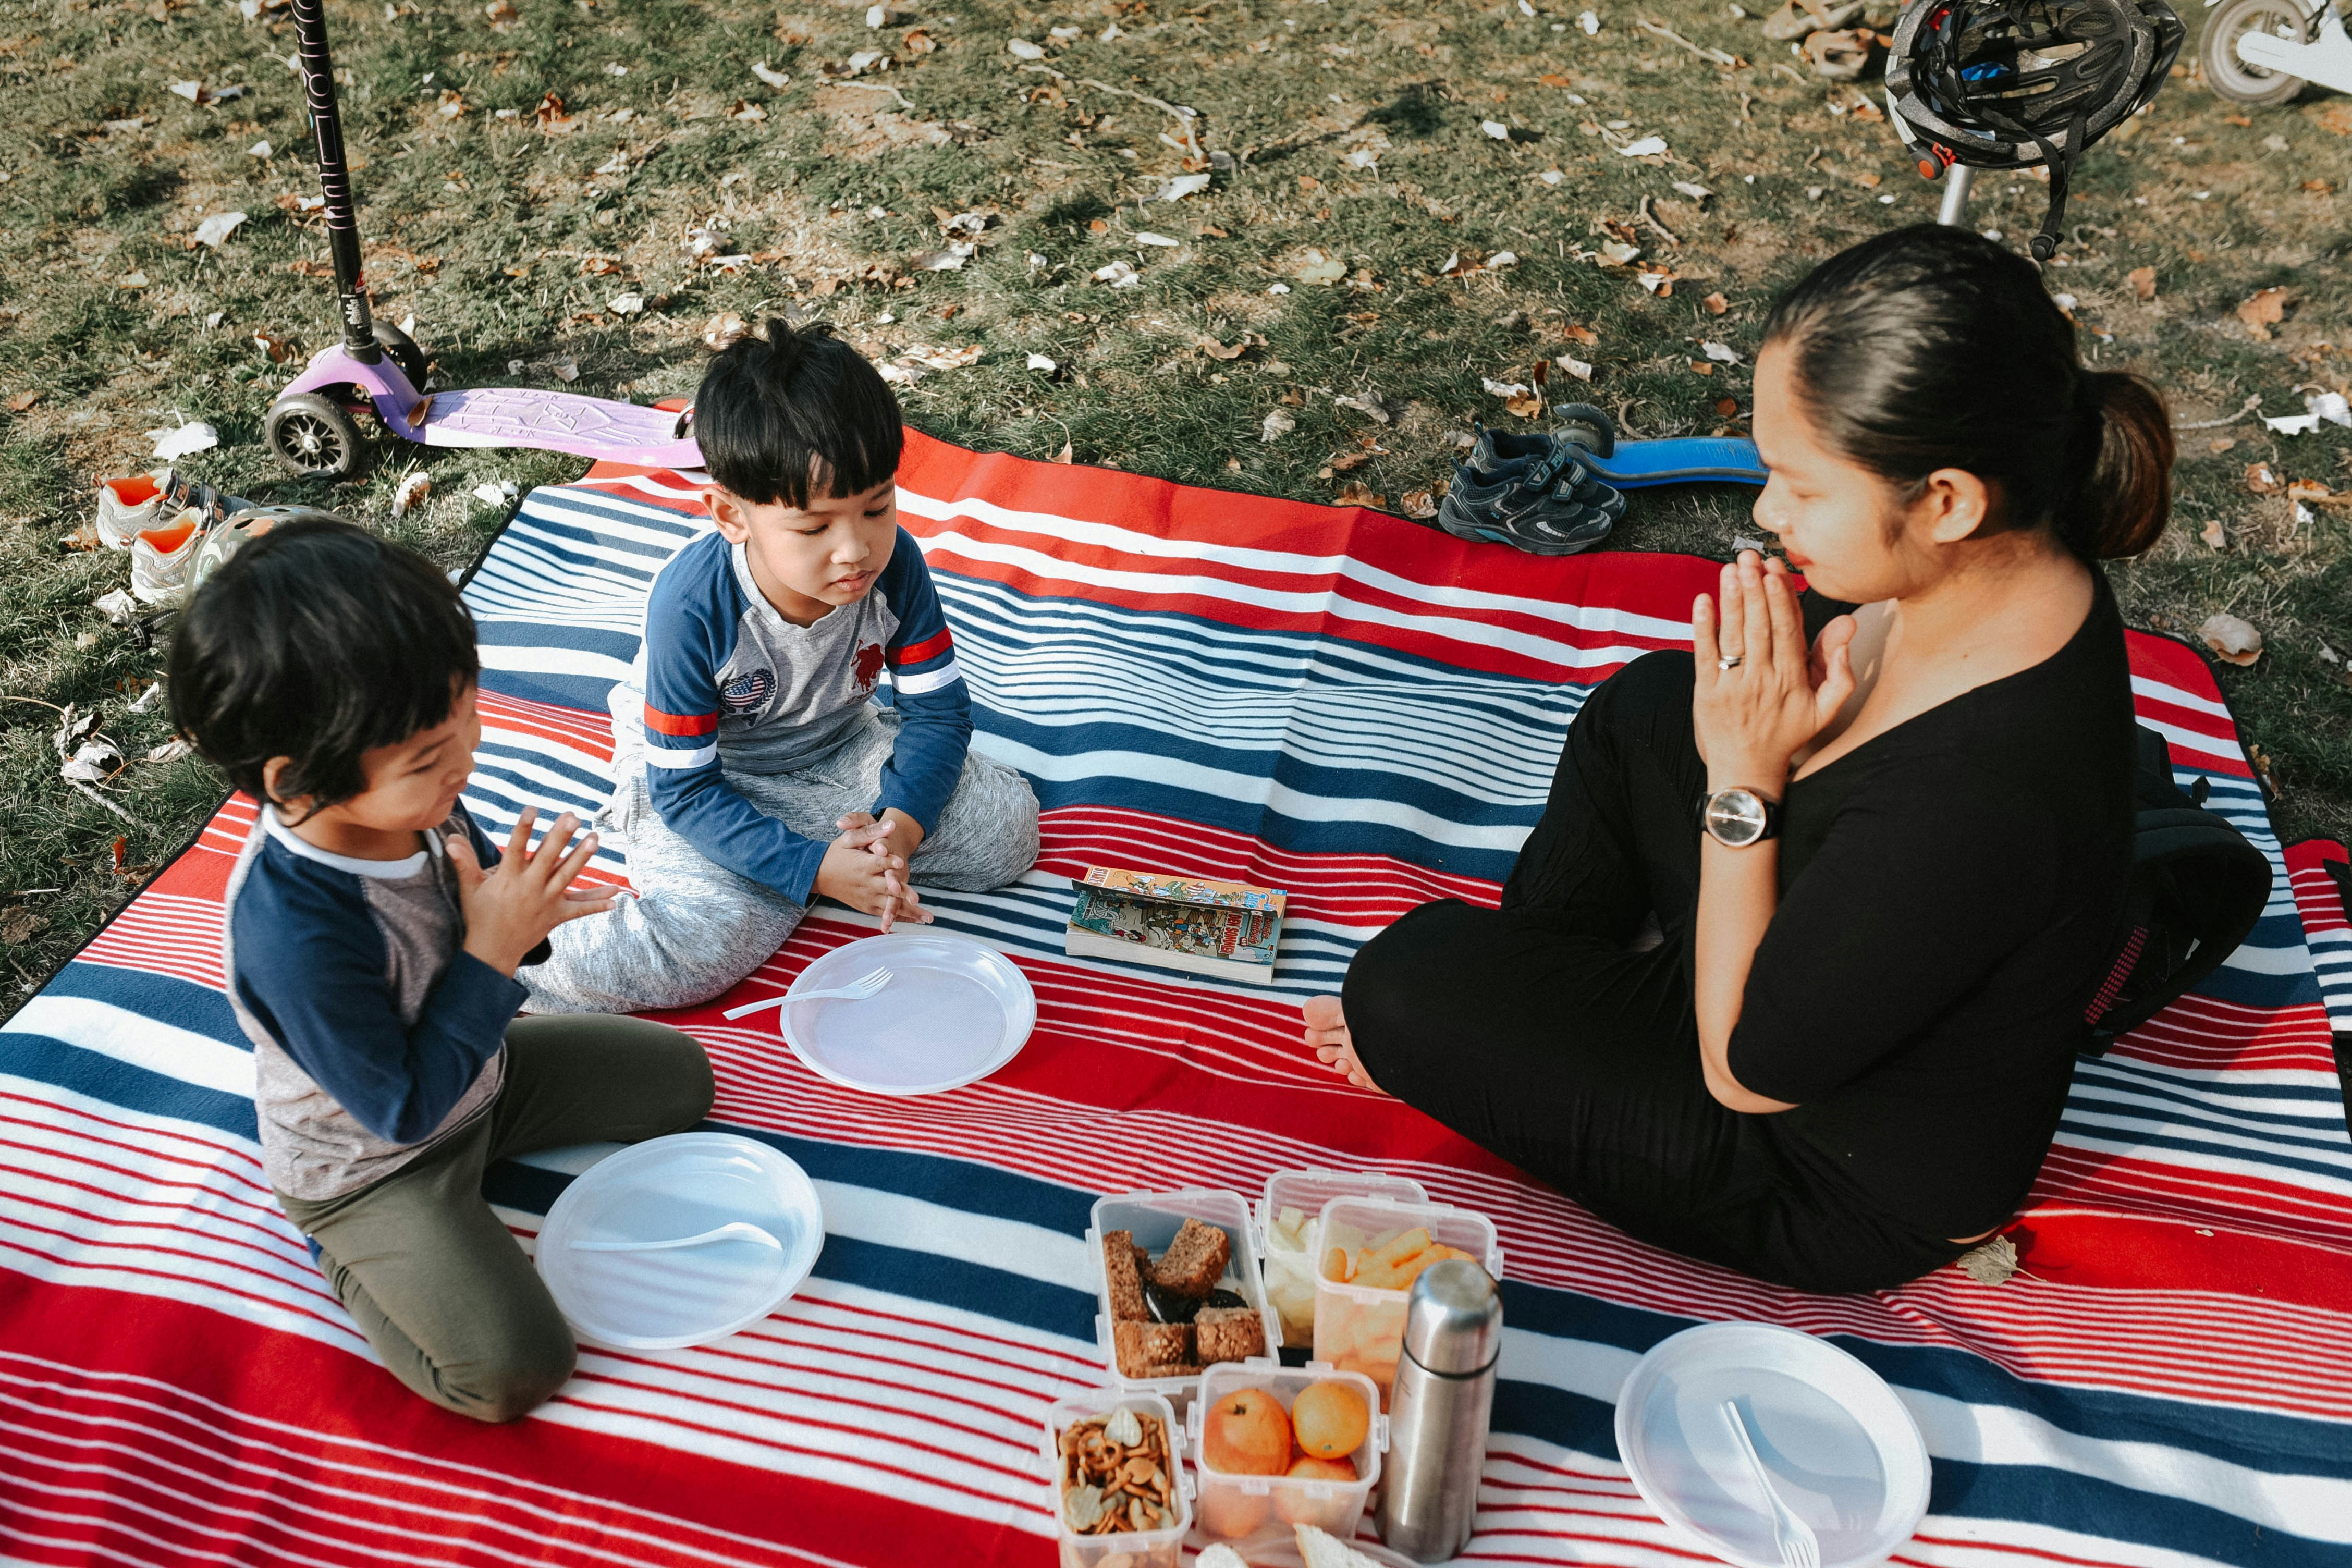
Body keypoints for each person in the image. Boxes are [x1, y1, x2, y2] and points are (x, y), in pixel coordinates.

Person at [1301, 226, 2173, 1294]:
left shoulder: (1980, 794)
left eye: (1804, 487)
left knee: (1402, 985)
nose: (1767, 515)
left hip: (1816, 1163)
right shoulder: (2002, 570)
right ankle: (1540, 1012)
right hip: (1815, 947)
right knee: (1652, 703)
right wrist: (1758, 736)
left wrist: (1744, 782)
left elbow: (1746, 1073)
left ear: (1946, 499)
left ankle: (1507, 1036)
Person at [169, 519, 715, 1420]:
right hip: (379, 1163)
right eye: (429, 758)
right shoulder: (293, 930)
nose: (464, 761)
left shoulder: (421, 808)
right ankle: (355, 1256)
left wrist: (524, 915)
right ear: (297, 783)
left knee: (681, 1080)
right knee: (512, 1373)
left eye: (466, 718)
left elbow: (490, 929)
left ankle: (483, 1158)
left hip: (483, 1078)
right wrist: (494, 950)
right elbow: (404, 1106)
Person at [523, 321, 1041, 1013]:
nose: (855, 549)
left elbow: (939, 712)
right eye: (813, 527)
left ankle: (806, 858)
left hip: (839, 744)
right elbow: (685, 793)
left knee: (1007, 834)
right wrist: (819, 869)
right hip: (715, 780)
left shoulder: (897, 565)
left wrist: (899, 830)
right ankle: (501, 960)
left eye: (877, 507)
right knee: (699, 949)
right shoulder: (692, 605)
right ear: (730, 516)